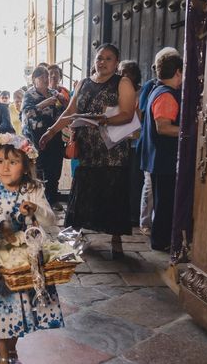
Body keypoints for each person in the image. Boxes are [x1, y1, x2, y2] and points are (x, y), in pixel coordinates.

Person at [0, 133, 63, 364]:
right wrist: (4, 224)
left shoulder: (34, 189)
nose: (5, 167)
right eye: (0, 160)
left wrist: (35, 210)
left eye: (13, 161)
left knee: (18, 312)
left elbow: (51, 222)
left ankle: (12, 351)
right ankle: (2, 357)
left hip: (25, 263)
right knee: (2, 309)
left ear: (26, 165)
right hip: (0, 261)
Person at [40, 43, 136, 257]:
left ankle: (116, 238)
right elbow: (70, 110)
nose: (102, 62)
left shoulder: (123, 82)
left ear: (116, 63)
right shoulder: (83, 83)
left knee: (113, 193)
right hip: (87, 149)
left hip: (112, 150)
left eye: (108, 58)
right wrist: (51, 131)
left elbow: (128, 115)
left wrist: (100, 120)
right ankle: (73, 234)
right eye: (99, 58)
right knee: (82, 190)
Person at [139, 53, 183, 251]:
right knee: (164, 204)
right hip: (163, 159)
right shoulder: (166, 94)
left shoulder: (158, 90)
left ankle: (161, 239)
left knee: (162, 203)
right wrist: (190, 131)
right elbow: (163, 127)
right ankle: (161, 242)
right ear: (178, 72)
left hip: (158, 158)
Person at [22, 65, 66, 211]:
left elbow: (64, 112)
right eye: (42, 77)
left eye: (47, 76)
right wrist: (43, 104)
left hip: (54, 135)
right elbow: (27, 114)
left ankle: (53, 199)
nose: (46, 79)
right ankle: (40, 201)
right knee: (39, 168)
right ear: (34, 79)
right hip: (36, 137)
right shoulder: (29, 95)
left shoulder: (54, 93)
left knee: (55, 168)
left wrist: (63, 101)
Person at [118, 60, 143, 228]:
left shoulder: (141, 93)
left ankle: (133, 214)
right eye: (120, 72)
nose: (122, 76)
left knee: (134, 180)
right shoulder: (118, 90)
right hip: (119, 140)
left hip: (135, 142)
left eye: (125, 72)